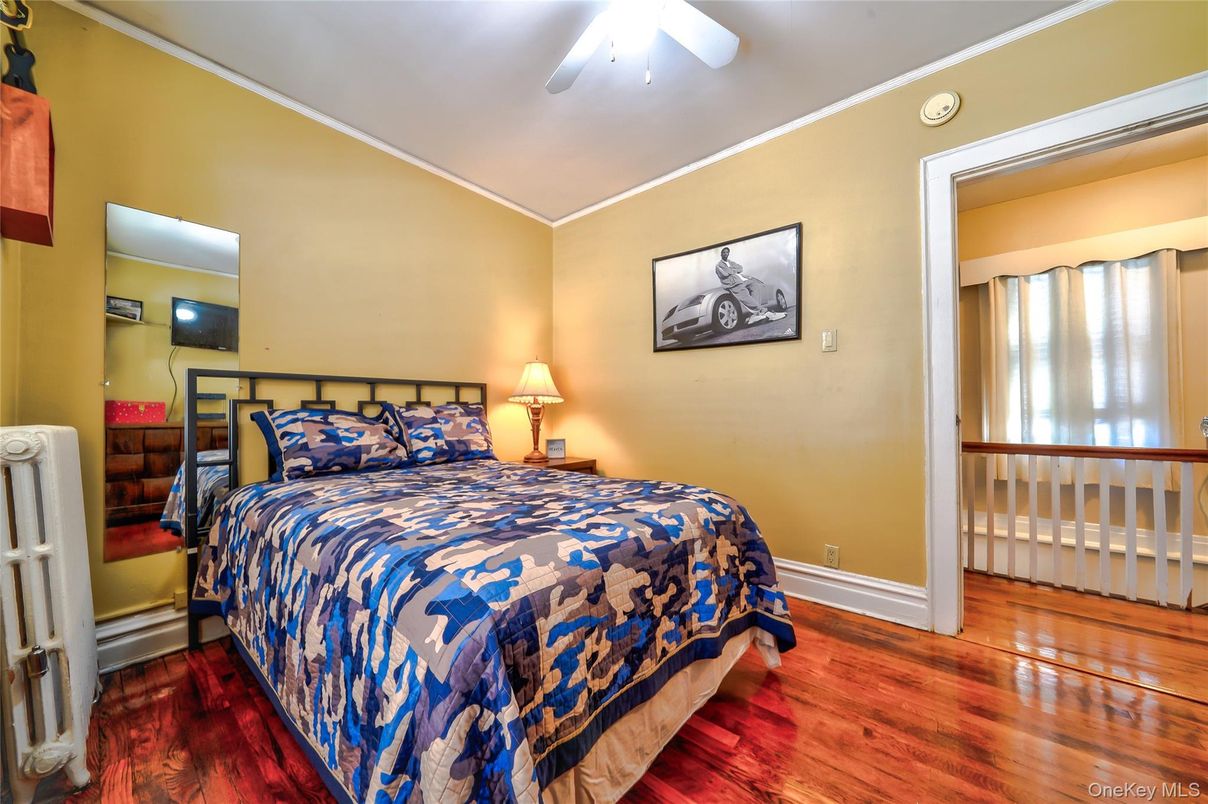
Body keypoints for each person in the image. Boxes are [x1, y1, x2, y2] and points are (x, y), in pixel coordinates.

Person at [714, 247, 786, 324]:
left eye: (727, 252)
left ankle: (755, 314)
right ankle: (764, 312)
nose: (725, 254)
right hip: (733, 283)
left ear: (728, 253)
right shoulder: (719, 265)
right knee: (745, 295)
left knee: (755, 285)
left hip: (742, 280)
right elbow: (725, 274)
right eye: (724, 252)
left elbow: (740, 268)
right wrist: (733, 270)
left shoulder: (730, 262)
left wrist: (732, 270)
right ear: (721, 254)